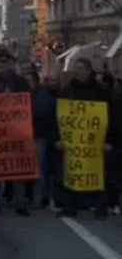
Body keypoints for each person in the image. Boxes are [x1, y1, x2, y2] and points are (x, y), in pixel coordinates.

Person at [56, 58, 118, 220]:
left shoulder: (102, 92)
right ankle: (71, 206)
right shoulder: (67, 91)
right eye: (76, 68)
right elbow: (60, 118)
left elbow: (112, 118)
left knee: (98, 175)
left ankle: (100, 207)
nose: (78, 71)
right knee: (73, 173)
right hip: (74, 143)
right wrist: (58, 138)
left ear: (89, 70)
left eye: (81, 68)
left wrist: (109, 141)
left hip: (97, 142)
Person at [0, 49, 32, 217]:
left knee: (17, 167)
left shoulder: (20, 82)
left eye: (4, 62)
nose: (0, 66)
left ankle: (19, 202)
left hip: (16, 130)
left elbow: (28, 103)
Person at [24, 71, 56, 208]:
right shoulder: (25, 95)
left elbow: (41, 112)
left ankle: (40, 197)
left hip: (38, 135)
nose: (27, 83)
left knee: (38, 168)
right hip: (27, 135)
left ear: (36, 81)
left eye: (30, 80)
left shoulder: (42, 96)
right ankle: (34, 196)